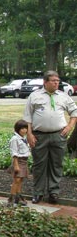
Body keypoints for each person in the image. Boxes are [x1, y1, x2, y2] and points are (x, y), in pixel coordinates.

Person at [23, 70, 77, 204]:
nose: (56, 83)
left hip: (58, 136)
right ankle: (38, 193)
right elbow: (27, 117)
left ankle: (53, 192)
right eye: (53, 81)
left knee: (56, 164)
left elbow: (74, 112)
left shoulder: (63, 96)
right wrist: (29, 134)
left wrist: (69, 127)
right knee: (39, 165)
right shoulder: (34, 96)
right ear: (45, 82)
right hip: (39, 136)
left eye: (58, 81)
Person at [7, 119, 30, 206]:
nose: (24, 130)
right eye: (22, 128)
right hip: (19, 161)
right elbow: (14, 153)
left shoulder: (23, 138)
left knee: (20, 180)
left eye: (26, 128)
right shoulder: (15, 139)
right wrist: (16, 165)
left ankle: (18, 197)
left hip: (24, 161)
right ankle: (11, 199)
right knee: (16, 180)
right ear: (17, 129)